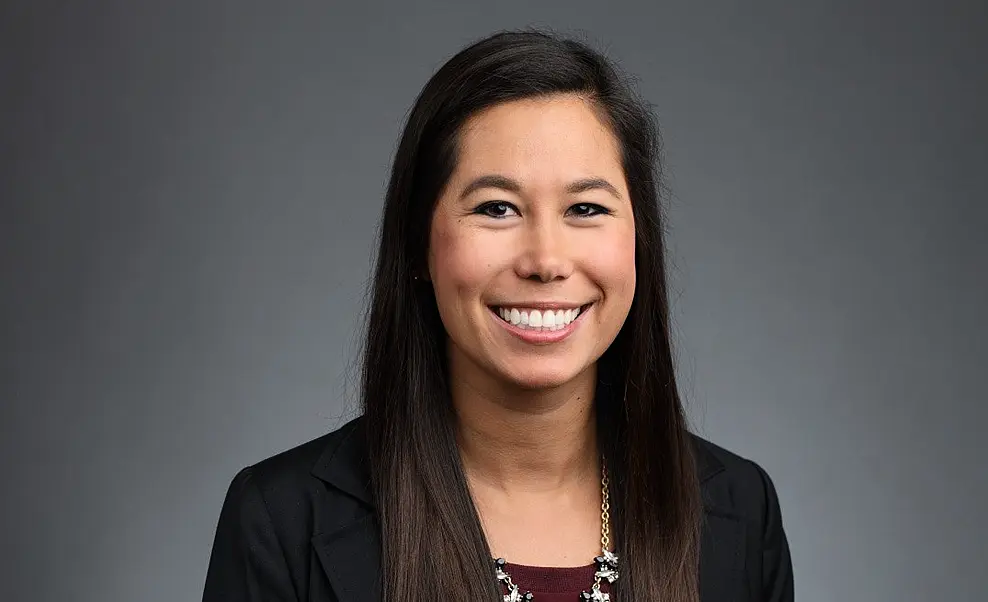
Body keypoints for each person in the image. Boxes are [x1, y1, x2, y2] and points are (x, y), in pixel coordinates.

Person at [201, 29, 794, 602]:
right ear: (419, 247)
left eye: (586, 207)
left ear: (639, 239)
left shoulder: (739, 510)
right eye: (497, 208)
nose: (545, 260)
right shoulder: (282, 521)